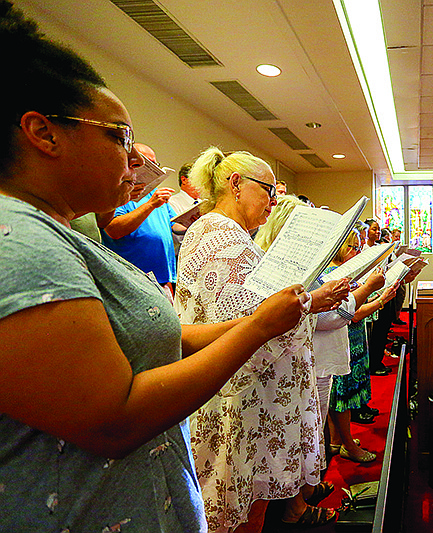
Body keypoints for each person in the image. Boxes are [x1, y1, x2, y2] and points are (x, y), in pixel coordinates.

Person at [0, 4, 307, 530]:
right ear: (44, 135)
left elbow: (156, 331)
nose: (132, 161)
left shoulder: (63, 233)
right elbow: (112, 419)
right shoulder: (20, 240)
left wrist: (262, 320)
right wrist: (256, 327)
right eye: (119, 136)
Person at [175, 148, 349, 532]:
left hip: (241, 394)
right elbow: (247, 328)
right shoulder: (224, 240)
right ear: (235, 184)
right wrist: (305, 307)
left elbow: (254, 312)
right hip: (239, 398)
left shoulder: (219, 232)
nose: (274, 200)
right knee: (240, 509)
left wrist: (312, 300)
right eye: (267, 189)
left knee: (249, 505)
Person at [316, 230, 391, 462]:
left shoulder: (345, 274)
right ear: (342, 248)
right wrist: (380, 300)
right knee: (342, 398)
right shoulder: (332, 275)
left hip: (352, 340)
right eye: (354, 247)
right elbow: (353, 314)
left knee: (341, 398)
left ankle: (338, 440)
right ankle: (348, 444)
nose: (358, 252)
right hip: (340, 340)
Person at [101, 142, 178, 292]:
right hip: (130, 278)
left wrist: (194, 219)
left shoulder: (155, 194)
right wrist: (150, 205)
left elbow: (174, 225)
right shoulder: (121, 192)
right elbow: (113, 230)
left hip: (162, 279)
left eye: (156, 165)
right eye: (148, 164)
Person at [169, 162, 202, 255]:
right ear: (184, 180)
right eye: (199, 179)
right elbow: (177, 237)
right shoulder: (172, 202)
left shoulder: (204, 203)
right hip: (182, 255)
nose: (202, 184)